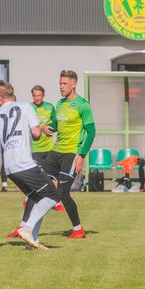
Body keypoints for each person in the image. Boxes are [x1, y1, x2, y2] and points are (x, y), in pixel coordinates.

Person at [0, 81, 61, 250]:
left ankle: (32, 241)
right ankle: (26, 228)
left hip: (9, 168)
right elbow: (36, 134)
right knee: (53, 196)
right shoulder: (25, 106)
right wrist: (40, 128)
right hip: (24, 163)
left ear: (0, 97)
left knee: (37, 198)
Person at [42, 70, 96, 239]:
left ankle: (78, 229)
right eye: (60, 83)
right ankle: (25, 227)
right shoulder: (59, 103)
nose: (61, 87)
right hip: (55, 151)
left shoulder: (83, 105)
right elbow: (56, 124)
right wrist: (46, 127)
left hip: (71, 154)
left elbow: (91, 132)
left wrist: (82, 156)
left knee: (63, 193)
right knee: (39, 185)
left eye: (64, 83)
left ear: (73, 84)